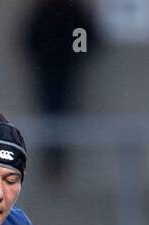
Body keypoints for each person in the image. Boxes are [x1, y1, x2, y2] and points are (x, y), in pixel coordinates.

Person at [21, 0, 99, 178]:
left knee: (61, 114)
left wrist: (74, 54)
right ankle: (53, 163)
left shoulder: (67, 12)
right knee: (52, 115)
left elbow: (89, 37)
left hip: (64, 71)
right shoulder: (47, 12)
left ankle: (56, 163)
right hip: (50, 72)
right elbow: (29, 40)